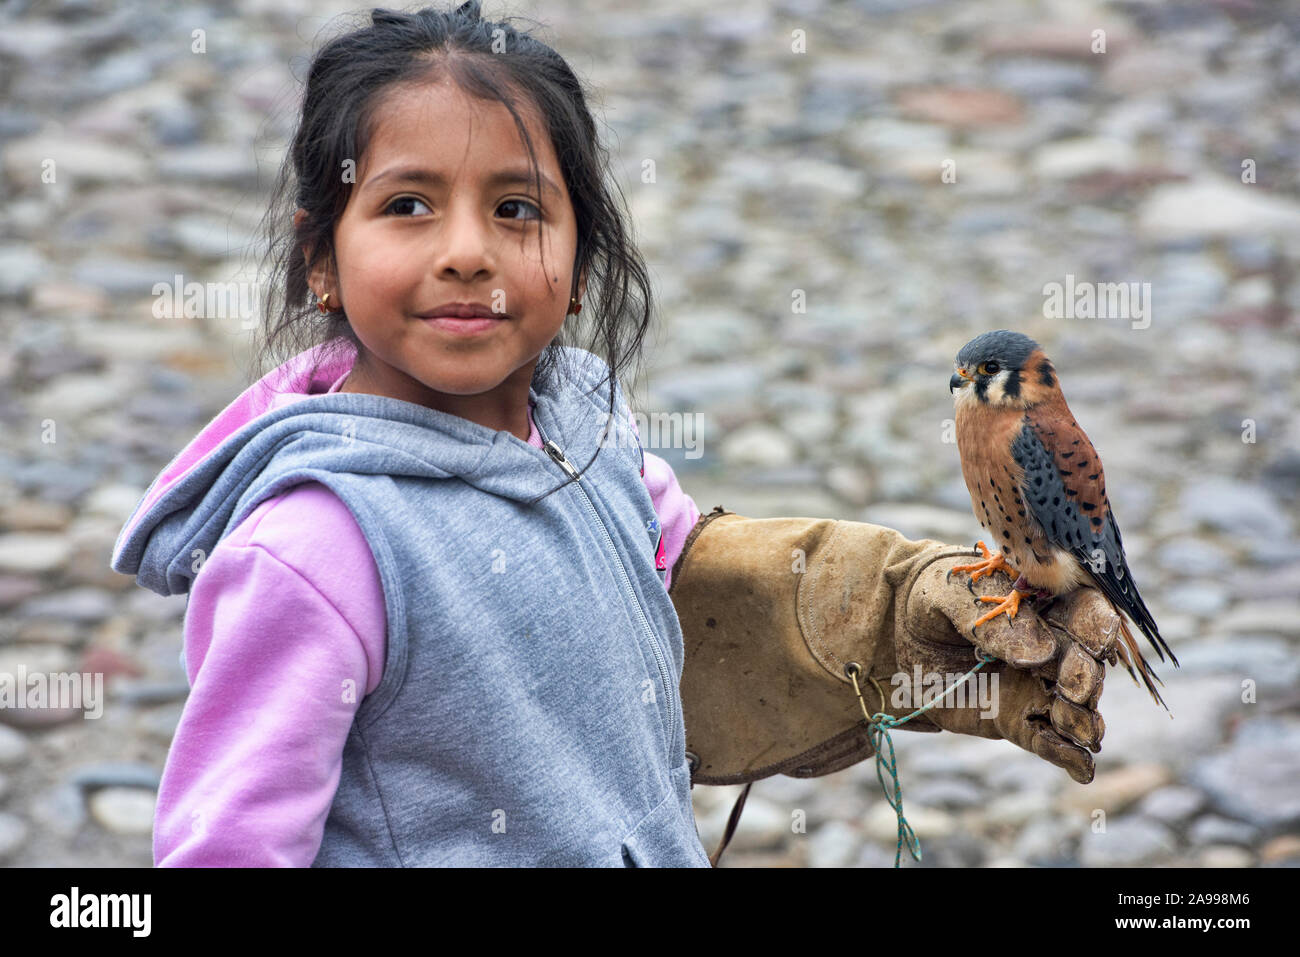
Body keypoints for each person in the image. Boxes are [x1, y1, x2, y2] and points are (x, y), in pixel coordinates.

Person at [112, 2, 1113, 868]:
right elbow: (226, 846)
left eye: (516, 209)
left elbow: (673, 566)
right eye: (407, 205)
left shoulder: (585, 435)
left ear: (582, 265)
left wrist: (894, 617)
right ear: (320, 260)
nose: (466, 252)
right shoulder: (315, 551)